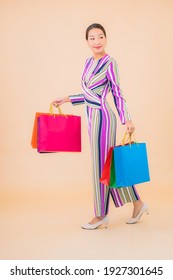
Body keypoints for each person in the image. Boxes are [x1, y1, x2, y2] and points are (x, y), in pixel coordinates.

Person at [52, 23, 148, 230]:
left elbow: (117, 92)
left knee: (100, 166)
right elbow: (88, 95)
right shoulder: (87, 63)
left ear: (106, 39)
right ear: (87, 41)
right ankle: (138, 204)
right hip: (91, 117)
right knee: (108, 167)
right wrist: (67, 99)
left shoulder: (110, 63)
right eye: (92, 38)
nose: (97, 41)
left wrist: (127, 119)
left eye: (100, 37)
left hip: (104, 117)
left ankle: (100, 214)